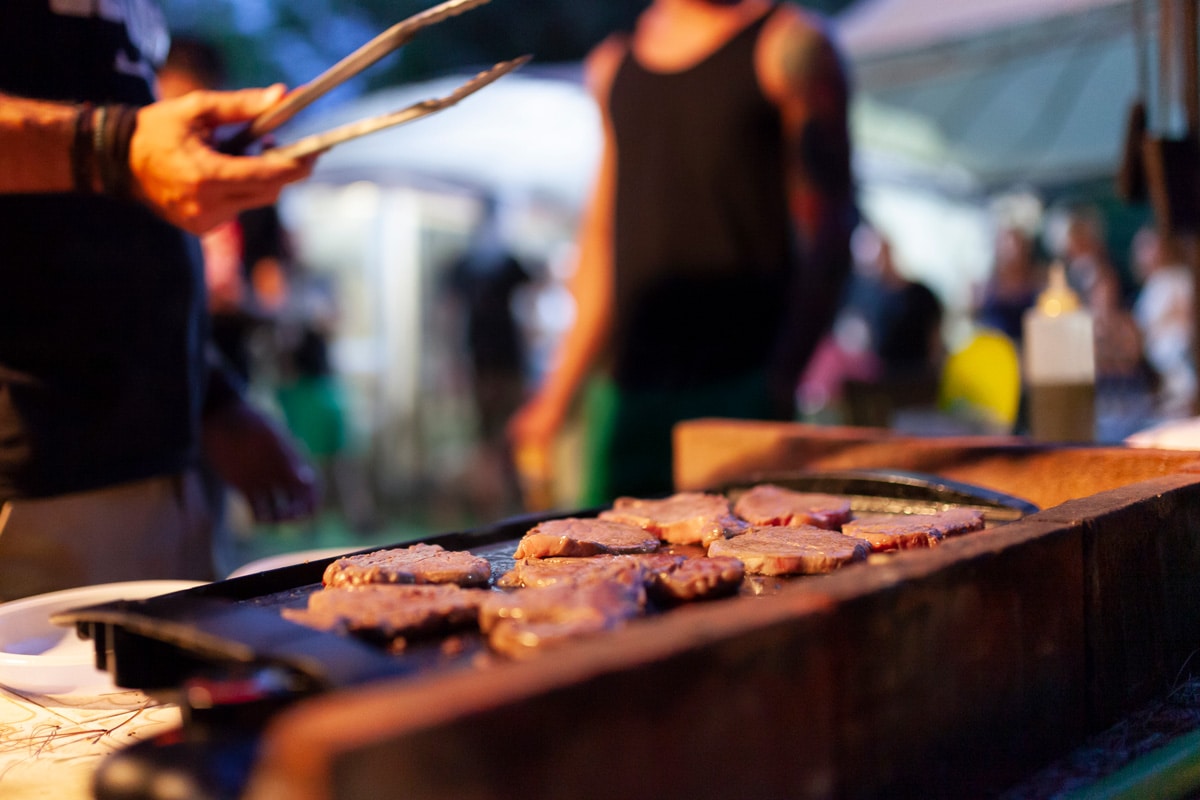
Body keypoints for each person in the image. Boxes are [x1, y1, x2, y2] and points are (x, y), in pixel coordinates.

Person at [0, 2, 319, 599]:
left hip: (158, 460)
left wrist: (212, 396)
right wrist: (117, 145)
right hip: (39, 466)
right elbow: (114, 152)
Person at [507, 0, 856, 506]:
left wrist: (781, 377)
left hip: (739, 389)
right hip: (629, 393)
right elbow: (604, 238)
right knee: (607, 571)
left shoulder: (787, 49)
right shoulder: (613, 68)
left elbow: (831, 223)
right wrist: (557, 395)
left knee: (754, 571)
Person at [443, 194, 533, 519]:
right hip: (479, 364)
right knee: (484, 435)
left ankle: (513, 502)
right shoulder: (465, 265)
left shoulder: (509, 262)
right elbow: (450, 316)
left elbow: (529, 308)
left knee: (512, 434)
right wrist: (453, 363)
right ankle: (489, 506)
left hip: (510, 363)